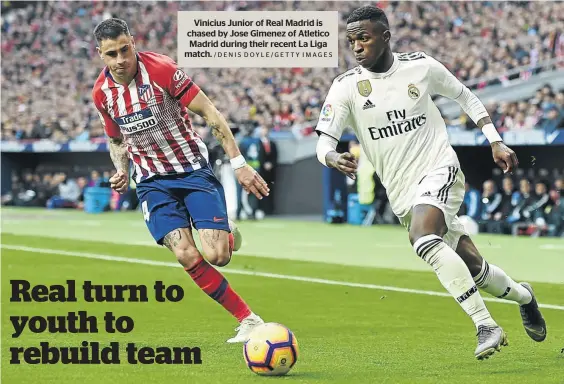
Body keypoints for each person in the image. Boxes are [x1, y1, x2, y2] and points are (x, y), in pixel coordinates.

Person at [315, 6, 546, 360]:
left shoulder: (420, 66)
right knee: (475, 269)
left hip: (440, 168)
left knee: (422, 237)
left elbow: (465, 95)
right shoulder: (345, 87)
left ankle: (486, 324)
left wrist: (495, 139)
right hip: (402, 190)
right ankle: (524, 297)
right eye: (351, 41)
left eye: (364, 37)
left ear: (385, 36)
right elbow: (323, 143)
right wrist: (332, 157)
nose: (357, 47)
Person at [91, 18, 270, 343]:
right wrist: (121, 169)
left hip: (191, 170)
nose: (120, 60)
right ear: (100, 55)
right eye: (111, 54)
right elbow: (116, 139)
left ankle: (225, 233)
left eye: (124, 50)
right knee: (186, 253)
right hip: (151, 182)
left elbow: (211, 114)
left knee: (217, 256)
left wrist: (239, 163)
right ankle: (249, 319)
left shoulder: (161, 70)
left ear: (133, 43)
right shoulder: (102, 94)